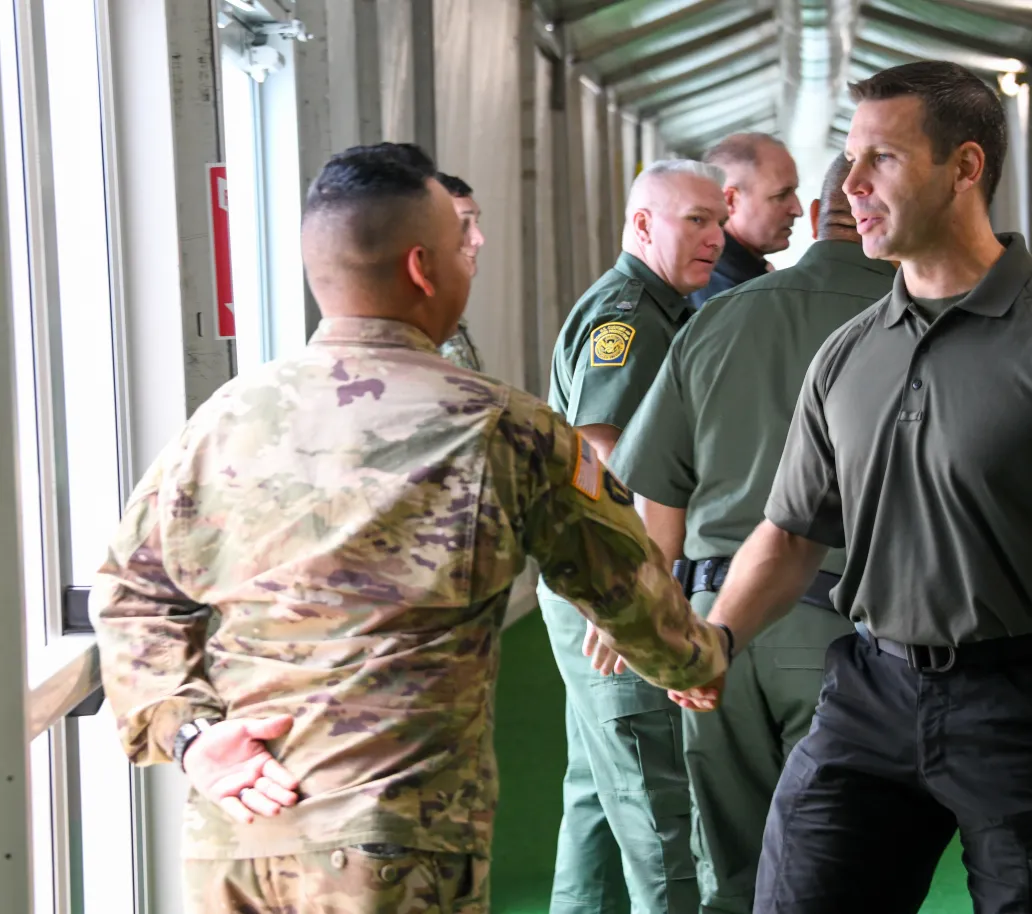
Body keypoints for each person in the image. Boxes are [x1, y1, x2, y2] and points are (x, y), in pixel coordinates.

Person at [89, 143, 728, 914]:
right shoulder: (497, 425)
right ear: (423, 269)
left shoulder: (225, 419)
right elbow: (623, 578)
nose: (474, 255)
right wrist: (696, 661)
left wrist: (194, 738)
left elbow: (130, 592)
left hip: (237, 833)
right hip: (396, 839)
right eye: (464, 244)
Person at [669, 60, 1032, 914]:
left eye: (880, 160)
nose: (849, 185)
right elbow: (787, 536)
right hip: (867, 690)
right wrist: (714, 640)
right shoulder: (847, 355)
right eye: (849, 160)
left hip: (1031, 704)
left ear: (966, 167)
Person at [604, 152, 895, 913]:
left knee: (730, 872)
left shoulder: (722, 316)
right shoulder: (914, 315)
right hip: (848, 633)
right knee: (840, 872)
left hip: (711, 631)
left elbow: (656, 495)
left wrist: (650, 619)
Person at [540, 158, 728, 914]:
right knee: (656, 809)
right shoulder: (630, 316)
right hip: (610, 586)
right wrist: (631, 602)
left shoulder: (667, 307)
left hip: (594, 581)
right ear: (644, 224)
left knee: (597, 789)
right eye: (696, 220)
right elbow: (601, 455)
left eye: (720, 218)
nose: (715, 235)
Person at [689, 134, 803, 309]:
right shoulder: (731, 296)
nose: (797, 210)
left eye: (794, 192)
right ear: (730, 200)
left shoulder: (731, 274)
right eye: (781, 195)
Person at [436, 171, 486, 372]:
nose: (479, 239)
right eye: (463, 224)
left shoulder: (448, 318)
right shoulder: (414, 325)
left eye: (476, 223)